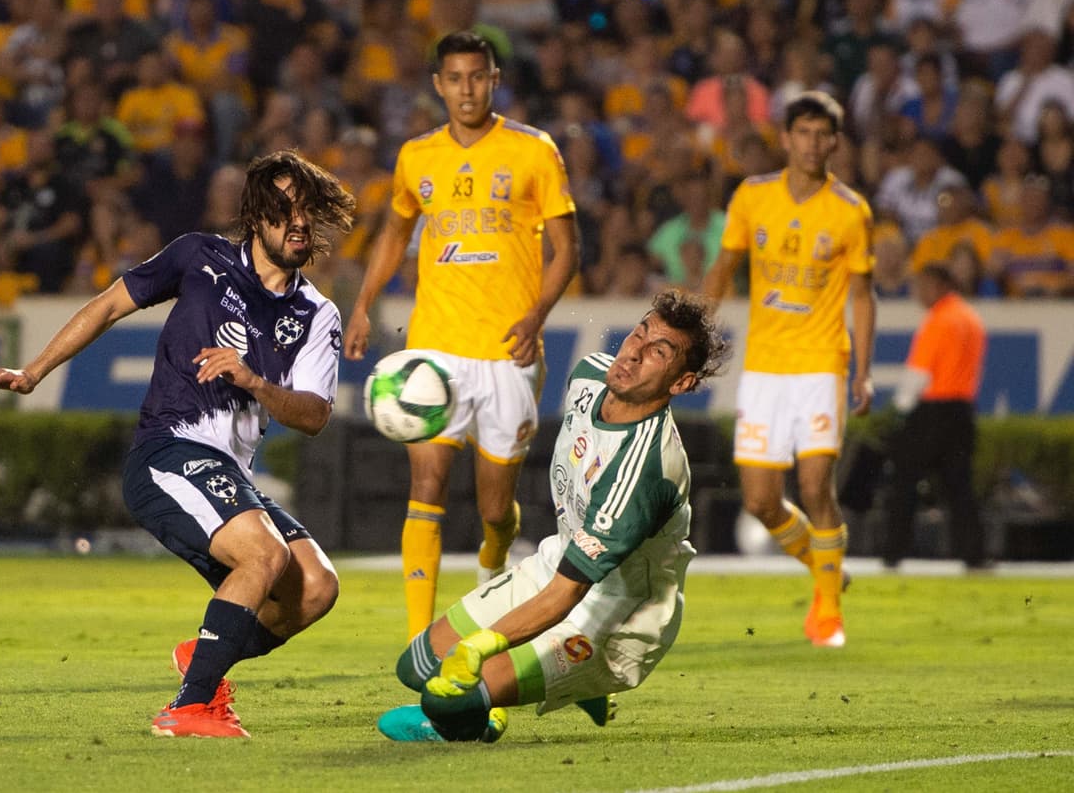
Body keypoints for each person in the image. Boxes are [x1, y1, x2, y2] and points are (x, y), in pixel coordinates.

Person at [0, 150, 356, 738]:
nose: (298, 222)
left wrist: (252, 379)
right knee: (263, 556)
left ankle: (204, 652)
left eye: (308, 211)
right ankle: (190, 707)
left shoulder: (316, 313)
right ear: (256, 215)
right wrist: (35, 371)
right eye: (284, 209)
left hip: (230, 473)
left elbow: (315, 415)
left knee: (316, 587)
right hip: (168, 450)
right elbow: (108, 305)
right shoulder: (199, 256)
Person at [375, 290, 727, 743]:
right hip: (558, 561)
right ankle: (555, 686)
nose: (634, 352)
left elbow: (568, 594)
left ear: (681, 383)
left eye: (658, 352)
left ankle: (549, 690)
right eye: (639, 333)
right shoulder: (589, 374)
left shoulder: (644, 469)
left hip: (613, 616)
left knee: (448, 700)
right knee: (417, 668)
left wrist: (483, 644)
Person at [342, 30, 580, 641]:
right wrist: (365, 303)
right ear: (438, 85)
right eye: (455, 78)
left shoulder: (533, 150)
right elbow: (395, 231)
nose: (467, 89)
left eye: (478, 76)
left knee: (496, 507)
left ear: (494, 79)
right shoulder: (417, 156)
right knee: (427, 483)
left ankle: (492, 568)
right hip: (434, 347)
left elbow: (567, 249)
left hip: (508, 348)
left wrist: (536, 317)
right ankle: (420, 638)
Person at [701, 91, 876, 649]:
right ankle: (827, 567)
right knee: (759, 499)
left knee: (816, 483)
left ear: (835, 143)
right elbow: (724, 267)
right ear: (786, 137)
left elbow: (865, 297)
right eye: (803, 132)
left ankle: (827, 611)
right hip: (765, 368)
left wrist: (863, 372)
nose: (812, 143)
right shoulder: (753, 197)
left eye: (823, 134)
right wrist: (697, 336)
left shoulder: (850, 210)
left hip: (822, 363)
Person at [884, 263, 988, 569]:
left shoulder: (938, 320)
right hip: (961, 412)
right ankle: (974, 554)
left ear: (939, 285)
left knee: (904, 481)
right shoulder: (971, 318)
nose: (918, 293)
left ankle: (894, 550)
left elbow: (919, 372)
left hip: (931, 412)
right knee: (960, 487)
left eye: (922, 286)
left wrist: (899, 410)